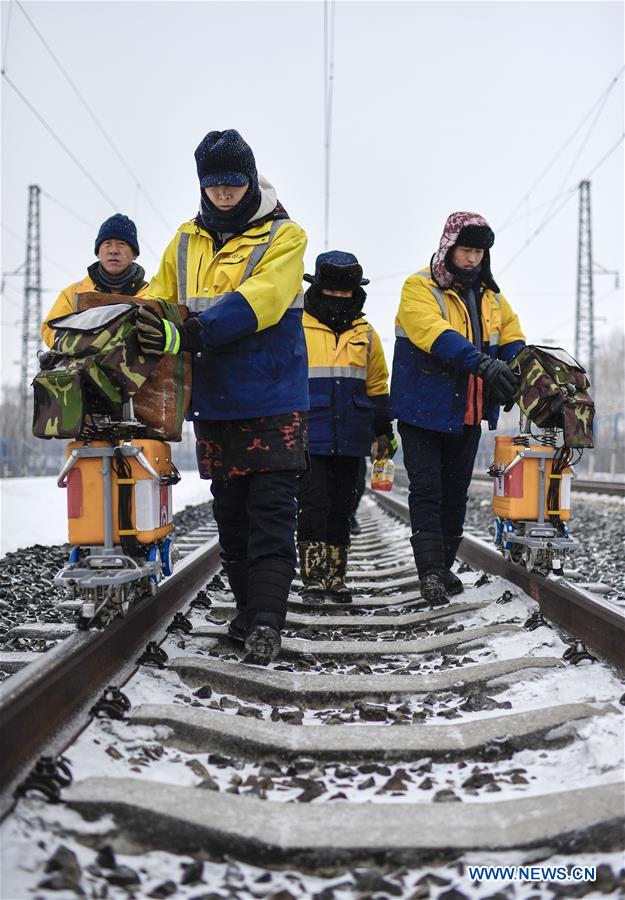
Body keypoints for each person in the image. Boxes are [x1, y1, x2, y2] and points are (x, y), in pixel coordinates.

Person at [137, 129, 308, 664]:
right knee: (232, 518)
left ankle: (265, 622)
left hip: (274, 399)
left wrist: (194, 332)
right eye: (214, 184)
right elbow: (157, 298)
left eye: (234, 182)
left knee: (272, 515)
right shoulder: (184, 241)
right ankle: (246, 613)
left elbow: (266, 296)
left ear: (250, 178)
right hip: (214, 401)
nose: (224, 193)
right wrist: (127, 322)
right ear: (202, 185)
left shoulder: (285, 235)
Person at [390, 212, 525, 606]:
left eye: (479, 252)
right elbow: (435, 335)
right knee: (428, 490)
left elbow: (513, 337)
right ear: (449, 247)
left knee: (455, 493)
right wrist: (484, 364)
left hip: (468, 411)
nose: (472, 259)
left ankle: (443, 567)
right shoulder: (419, 288)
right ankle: (430, 573)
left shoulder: (492, 298)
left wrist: (518, 369)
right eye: (466, 250)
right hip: (422, 410)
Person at [297, 251, 396, 603]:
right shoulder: (296, 326)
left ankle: (336, 579)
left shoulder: (366, 333)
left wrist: (383, 431)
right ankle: (312, 579)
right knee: (313, 505)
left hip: (353, 436)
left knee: (343, 506)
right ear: (317, 289)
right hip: (309, 435)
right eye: (333, 293)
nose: (339, 300)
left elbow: (377, 384)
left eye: (346, 294)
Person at [41, 214, 148, 346]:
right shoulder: (73, 294)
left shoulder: (151, 295)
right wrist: (77, 344)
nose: (113, 250)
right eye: (107, 244)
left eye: (121, 244)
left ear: (134, 254)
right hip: (83, 366)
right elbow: (50, 329)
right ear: (98, 252)